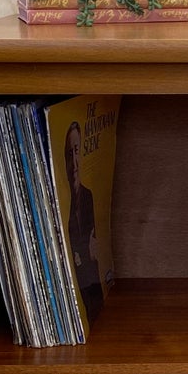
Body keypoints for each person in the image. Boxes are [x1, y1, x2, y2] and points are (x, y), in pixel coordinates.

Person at [63, 120, 104, 320]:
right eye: (69, 154)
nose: (74, 162)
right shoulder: (61, 202)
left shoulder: (88, 197)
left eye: (77, 151)